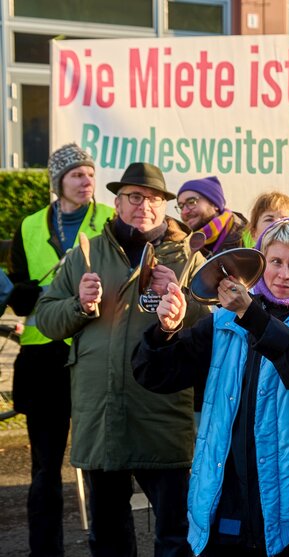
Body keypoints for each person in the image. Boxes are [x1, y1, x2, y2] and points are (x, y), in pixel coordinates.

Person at [132, 217, 289, 557]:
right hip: (228, 496)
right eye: (276, 262)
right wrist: (165, 331)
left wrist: (251, 314)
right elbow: (155, 374)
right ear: (261, 263)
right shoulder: (220, 322)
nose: (284, 274)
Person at [36, 162, 209, 557]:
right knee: (109, 536)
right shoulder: (86, 253)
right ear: (117, 202)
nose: (142, 206)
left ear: (164, 206)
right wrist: (78, 305)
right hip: (102, 418)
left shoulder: (186, 260)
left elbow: (216, 325)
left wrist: (186, 308)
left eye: (152, 198)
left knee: (175, 536)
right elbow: (46, 318)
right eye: (134, 196)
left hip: (162, 416)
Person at [5, 143, 114, 557]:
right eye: (76, 175)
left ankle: (107, 546)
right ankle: (43, 550)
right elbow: (17, 291)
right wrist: (39, 291)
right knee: (45, 469)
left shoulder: (108, 219)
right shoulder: (30, 225)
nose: (87, 181)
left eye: (89, 173)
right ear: (58, 183)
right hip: (42, 357)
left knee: (102, 468)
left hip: (93, 354)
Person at [176, 175, 248, 255]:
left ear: (215, 204)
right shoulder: (180, 244)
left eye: (191, 202)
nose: (184, 212)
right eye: (181, 206)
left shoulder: (248, 236)